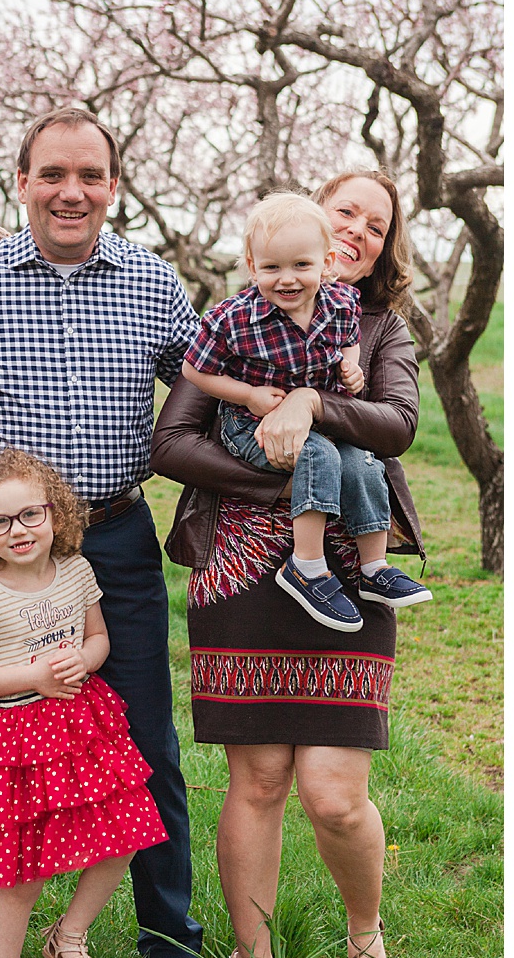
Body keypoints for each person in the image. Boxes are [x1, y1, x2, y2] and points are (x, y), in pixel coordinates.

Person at [0, 108, 213, 958]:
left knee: (145, 739)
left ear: (114, 188)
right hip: (2, 552)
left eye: (90, 175)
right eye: (52, 173)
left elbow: (207, 383)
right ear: (21, 183)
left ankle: (170, 941)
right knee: (5, 748)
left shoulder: (153, 283)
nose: (71, 192)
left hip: (113, 539)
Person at [152, 170, 424, 958]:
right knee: (261, 779)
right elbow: (174, 439)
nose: (358, 231)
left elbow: (397, 423)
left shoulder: (377, 326)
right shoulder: (240, 318)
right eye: (347, 210)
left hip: (348, 571)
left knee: (335, 793)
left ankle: (366, 936)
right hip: (241, 572)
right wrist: (272, 482)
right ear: (311, 217)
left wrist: (309, 403)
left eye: (376, 226)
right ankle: (253, 950)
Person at [0, 449, 169, 958]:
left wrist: (84, 663)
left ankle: (68, 937)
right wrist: (32, 678)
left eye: (30, 516)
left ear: (55, 513)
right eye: (1, 522)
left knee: (126, 832)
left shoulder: (77, 571)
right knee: (23, 872)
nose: (19, 531)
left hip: (77, 726)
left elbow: (98, 637)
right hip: (11, 741)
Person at [180, 192, 431, 631]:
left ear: (326, 262)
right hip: (252, 424)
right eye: (272, 267)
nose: (287, 279)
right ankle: (307, 568)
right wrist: (246, 394)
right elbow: (193, 370)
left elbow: (349, 341)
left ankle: (375, 567)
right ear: (252, 265)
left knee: (363, 461)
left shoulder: (340, 303)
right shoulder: (232, 319)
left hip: (323, 429)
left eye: (301, 266)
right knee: (321, 455)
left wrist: (350, 367)